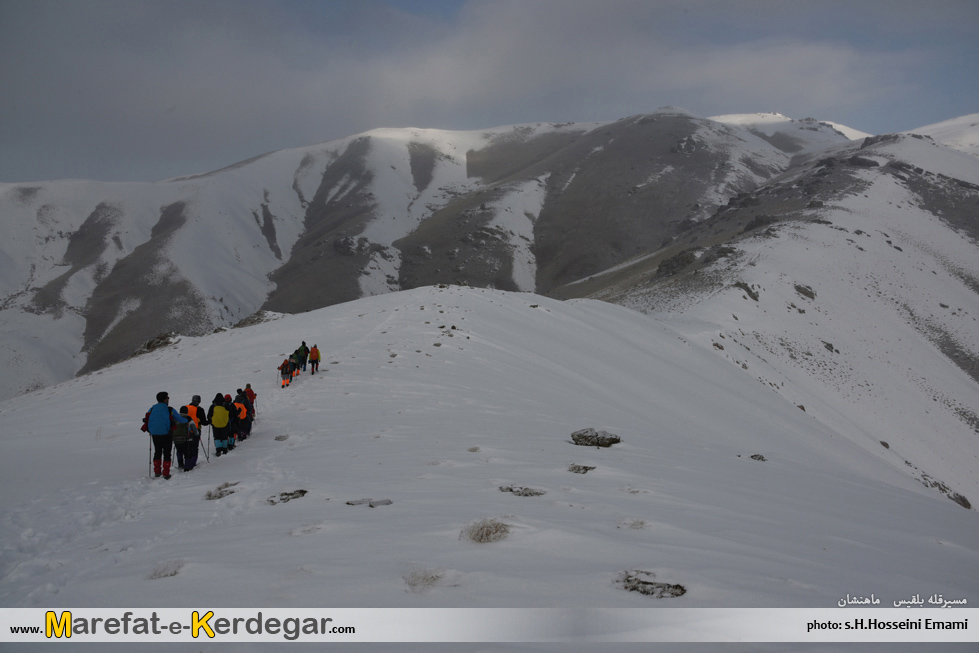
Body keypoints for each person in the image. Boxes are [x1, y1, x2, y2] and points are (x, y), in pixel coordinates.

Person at [145, 391, 186, 479]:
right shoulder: (169, 409)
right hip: (167, 433)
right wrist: (188, 419)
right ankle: (166, 473)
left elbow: (147, 418)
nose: (168, 399)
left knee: (157, 451)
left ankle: (157, 472)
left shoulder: (152, 408)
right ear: (165, 399)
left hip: (155, 434)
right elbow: (180, 419)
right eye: (168, 398)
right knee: (167, 453)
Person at [173, 406, 200, 471]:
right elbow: (195, 431)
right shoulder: (188, 418)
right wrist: (197, 434)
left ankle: (180, 464)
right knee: (187, 452)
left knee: (179, 451)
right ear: (187, 412)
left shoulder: (175, 418)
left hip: (176, 439)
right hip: (187, 439)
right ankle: (187, 466)